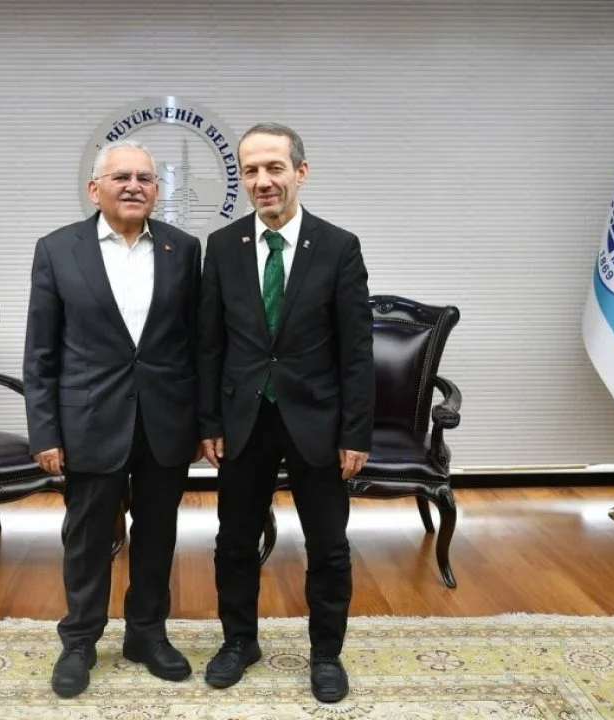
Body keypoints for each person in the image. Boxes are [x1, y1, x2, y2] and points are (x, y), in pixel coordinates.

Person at [197, 122, 374, 703]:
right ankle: (238, 641)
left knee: (328, 546)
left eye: (274, 167)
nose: (262, 181)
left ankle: (326, 654)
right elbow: (209, 344)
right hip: (243, 420)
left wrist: (355, 432)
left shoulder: (339, 247)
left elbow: (356, 351)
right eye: (250, 170)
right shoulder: (223, 246)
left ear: (300, 172)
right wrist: (209, 422)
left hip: (317, 422)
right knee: (233, 541)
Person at [23, 139, 202, 697]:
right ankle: (79, 640)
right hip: (89, 420)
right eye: (121, 177)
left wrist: (203, 423)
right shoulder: (58, 249)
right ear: (94, 188)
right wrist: (45, 431)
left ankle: (147, 635)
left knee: (157, 534)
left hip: (165, 421)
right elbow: (40, 352)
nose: (133, 186)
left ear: (157, 190)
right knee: (88, 538)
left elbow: (197, 345)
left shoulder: (183, 249)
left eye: (145, 178)